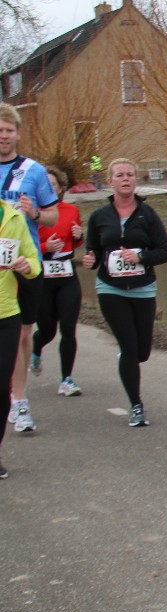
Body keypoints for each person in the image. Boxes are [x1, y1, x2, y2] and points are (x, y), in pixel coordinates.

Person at [82, 159, 167, 427]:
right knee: (129, 348)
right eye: (119, 175)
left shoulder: (148, 214)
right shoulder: (99, 216)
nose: (125, 179)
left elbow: (164, 252)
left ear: (135, 180)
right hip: (111, 289)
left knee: (142, 352)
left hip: (143, 289)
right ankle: (136, 406)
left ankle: (128, 357)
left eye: (130, 175)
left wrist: (140, 256)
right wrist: (90, 260)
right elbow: (93, 251)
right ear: (110, 181)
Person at [0, 103, 59, 435]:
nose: (3, 136)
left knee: (23, 333)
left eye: (8, 130)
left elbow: (53, 216)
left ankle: (18, 399)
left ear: (18, 134)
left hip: (25, 263)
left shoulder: (33, 171)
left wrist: (34, 213)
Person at [31, 167, 85, 397]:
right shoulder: (34, 213)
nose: (50, 188)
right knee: (47, 331)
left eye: (54, 184)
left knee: (68, 328)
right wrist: (45, 247)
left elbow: (76, 242)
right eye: (46, 184)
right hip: (42, 276)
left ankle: (67, 379)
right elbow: (26, 244)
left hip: (66, 275)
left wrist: (79, 236)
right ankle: (36, 349)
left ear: (61, 188)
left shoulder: (71, 210)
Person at [0, 198, 39, 478]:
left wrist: (27, 266)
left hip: (6, 314)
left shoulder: (13, 217)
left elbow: (34, 259)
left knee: (2, 387)